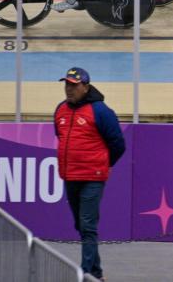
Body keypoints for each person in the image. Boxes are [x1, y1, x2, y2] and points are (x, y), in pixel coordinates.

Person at [53, 67, 125, 281]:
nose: (69, 89)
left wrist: (104, 163)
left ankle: (85, 275)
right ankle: (96, 273)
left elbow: (118, 144)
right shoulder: (60, 109)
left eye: (74, 85)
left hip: (93, 177)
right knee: (81, 226)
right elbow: (60, 136)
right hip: (70, 175)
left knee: (87, 224)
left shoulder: (101, 111)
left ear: (85, 86)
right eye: (66, 84)